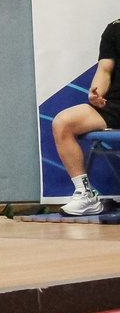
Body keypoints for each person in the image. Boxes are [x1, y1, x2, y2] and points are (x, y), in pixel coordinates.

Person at [51, 19, 120, 215]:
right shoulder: (115, 28)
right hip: (116, 105)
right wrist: (96, 93)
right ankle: (85, 195)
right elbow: (105, 70)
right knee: (63, 122)